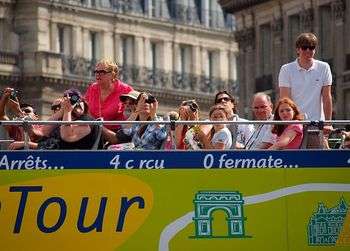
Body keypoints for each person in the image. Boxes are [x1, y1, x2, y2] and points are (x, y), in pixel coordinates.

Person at [278, 33, 332, 134]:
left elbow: (326, 97)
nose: (308, 50)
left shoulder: (324, 67)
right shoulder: (286, 69)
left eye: (311, 48)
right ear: (298, 50)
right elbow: (285, 100)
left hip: (316, 124)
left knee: (317, 149)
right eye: (304, 47)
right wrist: (289, 123)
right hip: (294, 125)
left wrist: (328, 123)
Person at [84, 59, 133, 130]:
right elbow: (84, 109)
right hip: (94, 131)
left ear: (113, 75)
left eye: (102, 72)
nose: (98, 74)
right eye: (96, 71)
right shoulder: (92, 88)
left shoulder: (125, 90)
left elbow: (137, 110)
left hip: (117, 132)